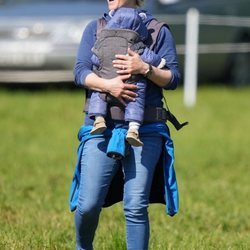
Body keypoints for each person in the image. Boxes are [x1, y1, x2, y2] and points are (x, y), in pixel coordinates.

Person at [71, 0, 181, 249]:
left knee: (135, 205)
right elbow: (80, 71)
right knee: (88, 205)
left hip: (146, 129)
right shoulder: (96, 27)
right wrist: (108, 85)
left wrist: (145, 68)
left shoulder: (157, 30)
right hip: (100, 127)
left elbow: (173, 77)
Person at [88, 7, 166, 147]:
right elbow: (149, 57)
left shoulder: (103, 41)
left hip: (105, 80)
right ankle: (134, 128)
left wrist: (105, 75)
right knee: (137, 94)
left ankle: (99, 118)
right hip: (129, 85)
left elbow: (93, 60)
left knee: (97, 90)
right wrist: (159, 62)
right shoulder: (134, 43)